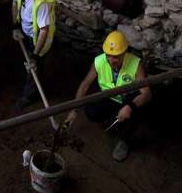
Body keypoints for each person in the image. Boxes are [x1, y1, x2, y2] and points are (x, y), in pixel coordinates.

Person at [65, 29, 151, 162]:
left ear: (124, 53)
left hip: (126, 100)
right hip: (108, 97)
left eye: (116, 56)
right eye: (108, 55)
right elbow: (85, 85)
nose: (111, 60)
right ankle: (113, 118)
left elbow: (146, 94)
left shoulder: (136, 64)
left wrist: (130, 106)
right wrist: (74, 110)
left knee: (132, 115)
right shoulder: (99, 61)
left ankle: (124, 140)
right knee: (91, 110)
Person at [10, 0, 56, 109]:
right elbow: (15, 4)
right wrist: (15, 25)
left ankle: (28, 96)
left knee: (34, 68)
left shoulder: (43, 0)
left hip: (38, 39)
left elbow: (44, 30)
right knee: (24, 61)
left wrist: (35, 56)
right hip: (24, 30)